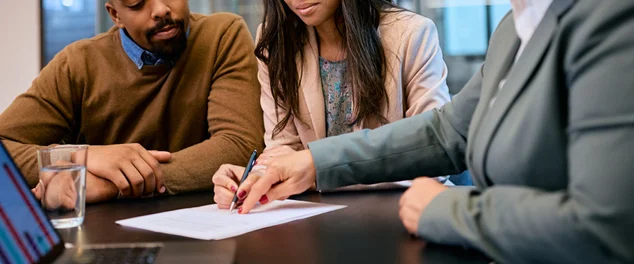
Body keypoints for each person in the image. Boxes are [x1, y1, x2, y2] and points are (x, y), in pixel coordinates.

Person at [212, 0, 634, 263]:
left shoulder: (609, 18)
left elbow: (606, 229)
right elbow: (447, 131)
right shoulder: (514, 28)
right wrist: (312, 163)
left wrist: (449, 211)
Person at [0, 0, 264, 203]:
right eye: (137, 3)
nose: (160, 9)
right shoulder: (77, 65)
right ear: (115, 15)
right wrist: (82, 157)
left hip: (210, 225)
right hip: (105, 234)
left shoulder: (222, 35)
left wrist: (107, 185)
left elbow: (239, 145)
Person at [212, 0, 451, 202]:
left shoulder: (412, 34)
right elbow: (282, 149)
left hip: (401, 211)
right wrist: (256, 178)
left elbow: (433, 157)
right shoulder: (276, 39)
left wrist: (320, 170)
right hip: (316, 217)